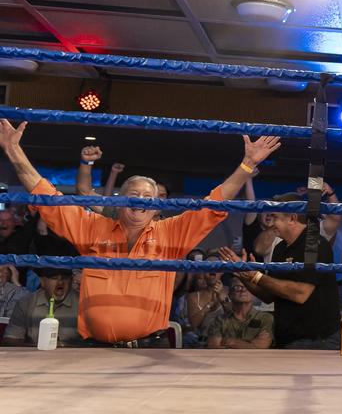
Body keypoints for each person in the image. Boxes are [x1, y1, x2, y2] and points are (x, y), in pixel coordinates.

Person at [0, 120, 275, 347]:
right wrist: (13, 150)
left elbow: (216, 203)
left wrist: (247, 165)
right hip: (96, 348)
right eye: (133, 195)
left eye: (147, 196)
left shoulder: (172, 232)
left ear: (156, 207)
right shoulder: (92, 227)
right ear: (118, 201)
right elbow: (47, 196)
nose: (140, 200)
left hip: (151, 348)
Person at [218, 193, 341, 349]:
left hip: (317, 339)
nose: (271, 223)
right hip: (288, 337)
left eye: (275, 217)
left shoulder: (314, 245)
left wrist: (255, 275)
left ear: (292, 218)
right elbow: (269, 295)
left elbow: (300, 294)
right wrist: (242, 273)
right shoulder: (280, 248)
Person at [2, 268, 81, 347]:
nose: (60, 282)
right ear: (42, 282)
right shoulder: (26, 303)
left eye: (65, 278)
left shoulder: (83, 304)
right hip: (33, 357)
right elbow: (11, 339)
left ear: (71, 281)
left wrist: (64, 347)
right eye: (54, 278)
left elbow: (92, 343)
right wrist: (41, 347)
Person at [206, 277, 273, 349]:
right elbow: (214, 347)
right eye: (237, 287)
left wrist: (231, 342)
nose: (243, 290)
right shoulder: (220, 320)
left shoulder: (265, 318)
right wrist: (247, 345)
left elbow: (260, 347)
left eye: (248, 287)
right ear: (230, 293)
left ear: (254, 294)